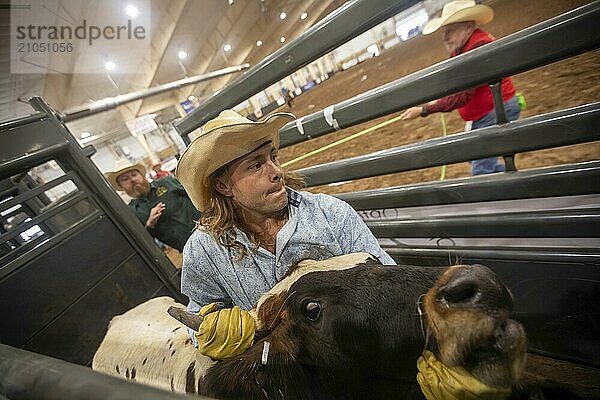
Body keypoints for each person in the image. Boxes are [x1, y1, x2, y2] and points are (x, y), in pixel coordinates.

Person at [175, 109, 395, 359]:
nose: (276, 171)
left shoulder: (330, 214)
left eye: (273, 157)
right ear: (224, 186)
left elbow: (385, 274)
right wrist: (212, 334)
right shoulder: (204, 250)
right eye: (256, 165)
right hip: (282, 372)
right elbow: (202, 313)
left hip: (356, 351)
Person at [400, 0, 521, 175]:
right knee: (479, 159)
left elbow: (463, 95)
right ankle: (514, 181)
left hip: (496, 110)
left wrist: (423, 109)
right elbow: (457, 85)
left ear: (469, 27)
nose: (445, 37)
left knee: (481, 168)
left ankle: (508, 188)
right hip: (486, 112)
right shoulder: (461, 49)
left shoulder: (478, 48)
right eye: (443, 32)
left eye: (450, 31)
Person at [105, 163, 200, 252]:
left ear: (142, 176)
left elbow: (196, 195)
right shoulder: (132, 212)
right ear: (121, 186)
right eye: (125, 179)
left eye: (134, 175)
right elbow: (144, 243)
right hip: (188, 250)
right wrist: (150, 224)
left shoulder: (166, 182)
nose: (133, 180)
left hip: (208, 229)